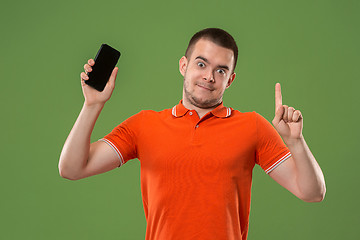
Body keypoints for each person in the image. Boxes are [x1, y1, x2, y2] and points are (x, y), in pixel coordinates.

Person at [58, 28, 326, 240]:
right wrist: (92, 105)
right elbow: (72, 168)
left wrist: (296, 142)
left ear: (230, 80)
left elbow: (312, 192)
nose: (209, 76)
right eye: (201, 64)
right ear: (184, 66)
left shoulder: (252, 126)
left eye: (221, 70)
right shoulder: (144, 125)